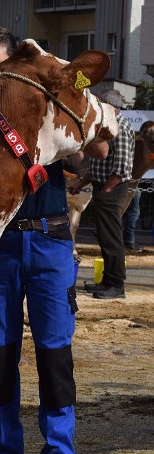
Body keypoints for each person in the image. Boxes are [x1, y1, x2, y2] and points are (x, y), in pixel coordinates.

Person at [0, 26, 107, 454]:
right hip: (2, 245)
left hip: (49, 243)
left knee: (54, 356)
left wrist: (82, 134)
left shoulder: (53, 107)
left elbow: (99, 146)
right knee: (0, 355)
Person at [83, 90, 134, 299]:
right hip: (105, 187)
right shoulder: (109, 128)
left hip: (111, 189)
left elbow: (121, 168)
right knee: (106, 236)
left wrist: (105, 191)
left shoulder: (120, 127)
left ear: (111, 107)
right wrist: (83, 181)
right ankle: (107, 281)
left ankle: (116, 285)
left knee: (111, 237)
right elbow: (99, 163)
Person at [123, 120, 153, 253]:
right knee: (133, 212)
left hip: (134, 181)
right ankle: (128, 241)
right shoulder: (139, 143)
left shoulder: (138, 142)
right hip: (129, 180)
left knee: (131, 211)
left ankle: (126, 241)